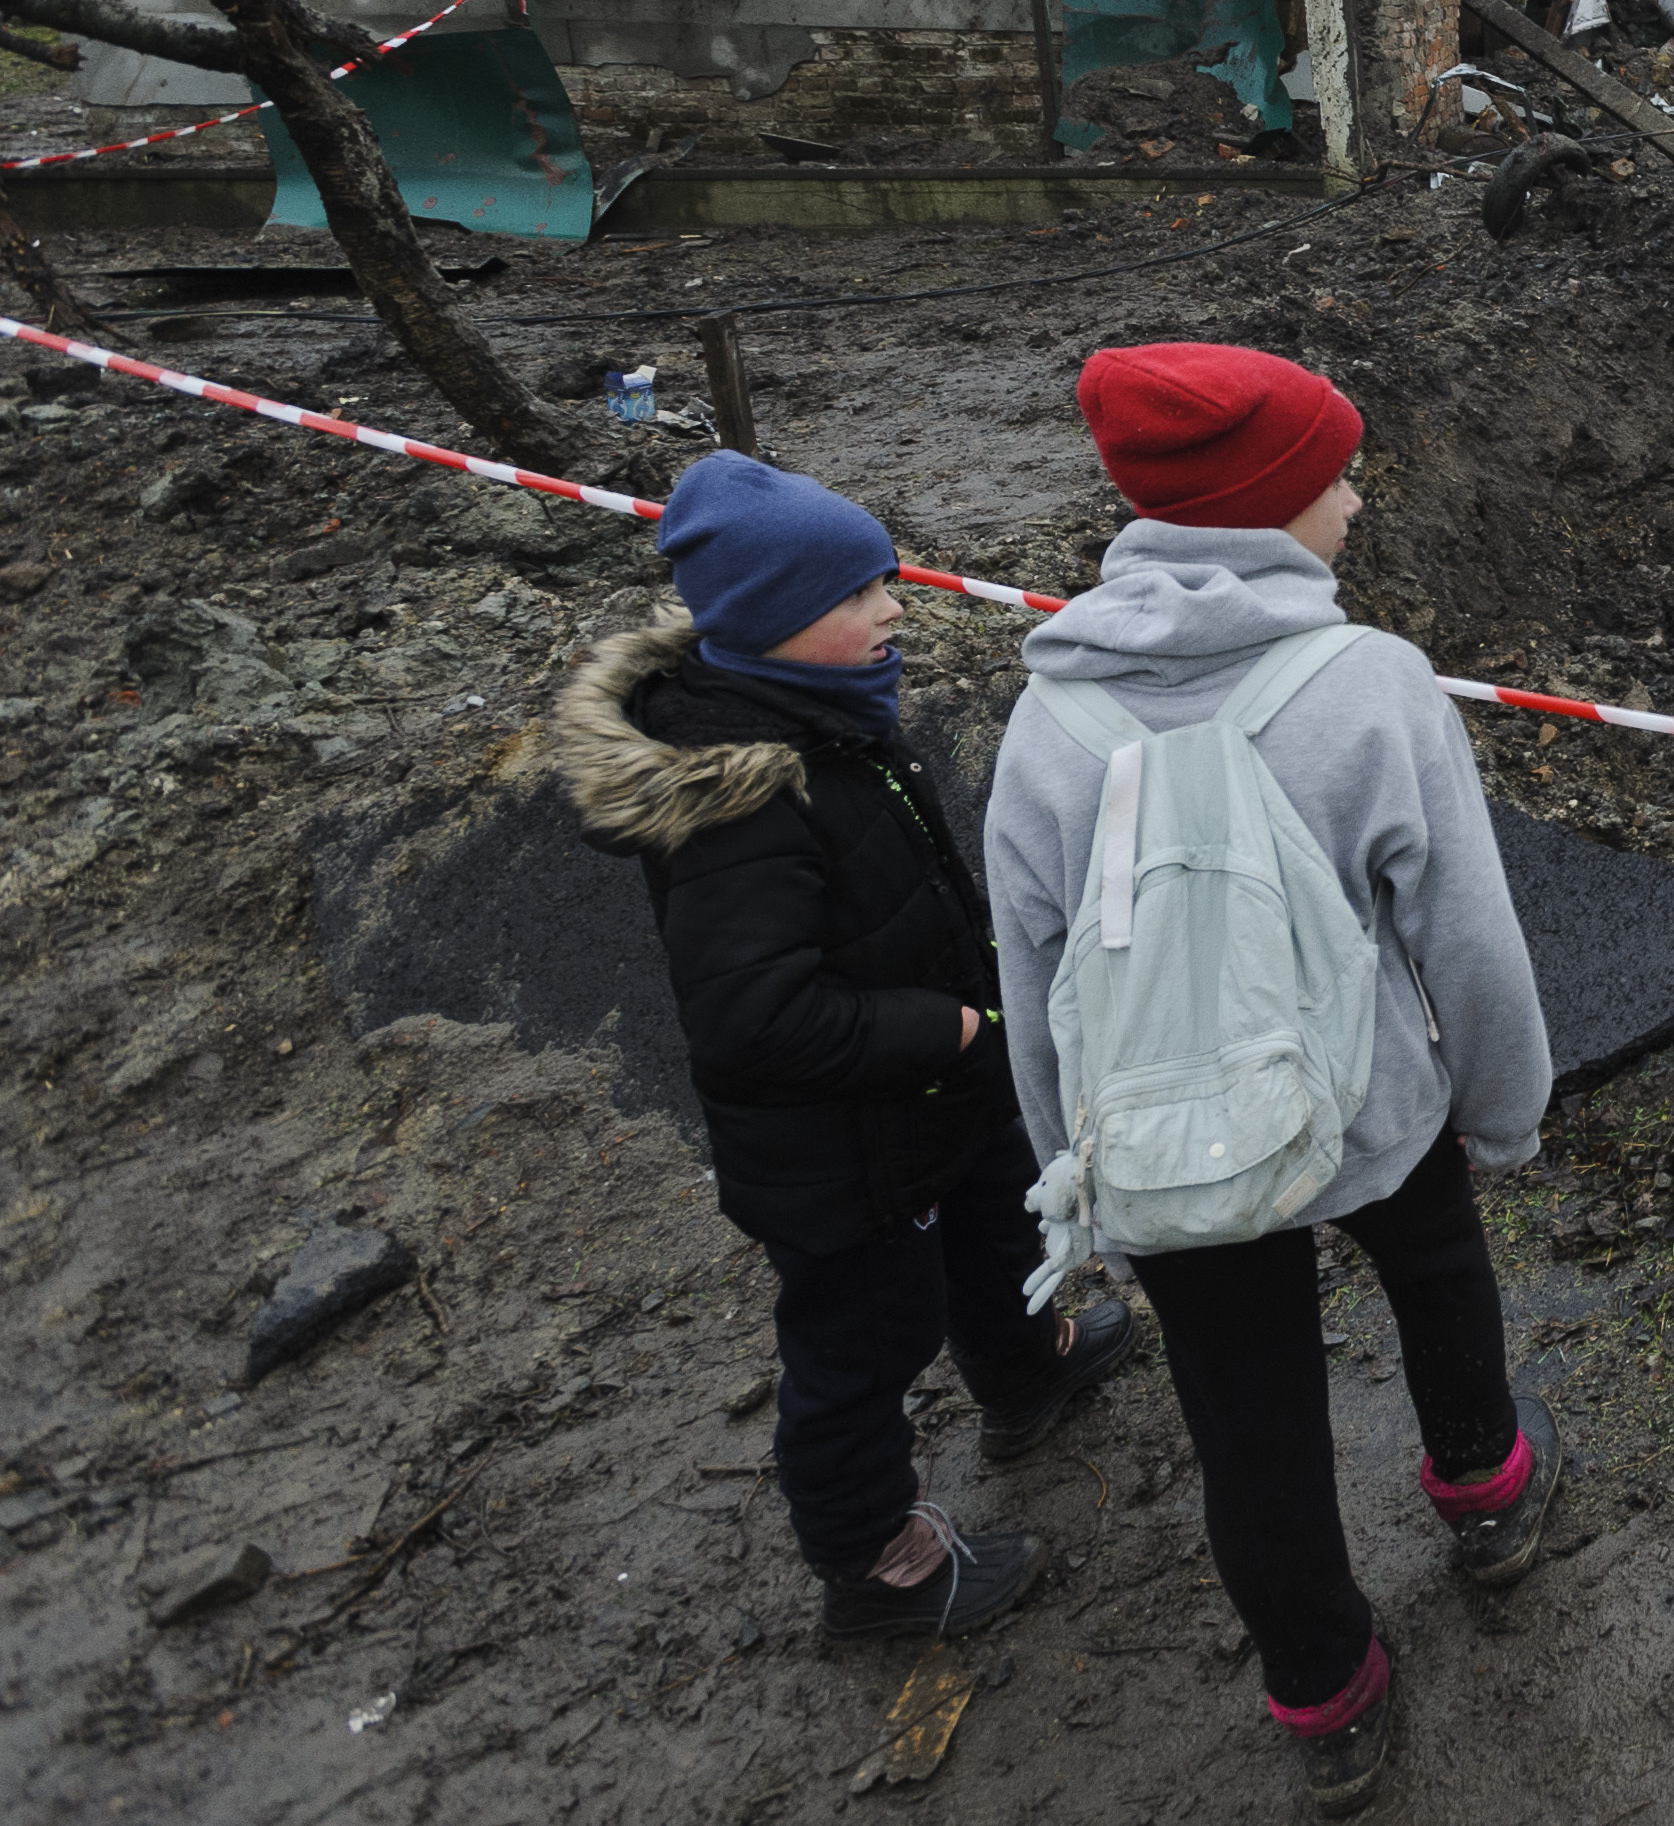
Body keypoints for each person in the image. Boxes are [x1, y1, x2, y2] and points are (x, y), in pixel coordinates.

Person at [982, 343, 1557, 1816]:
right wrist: (1503, 1108)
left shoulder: (1049, 715)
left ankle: (1322, 1690)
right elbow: (1469, 938)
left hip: (1175, 1159)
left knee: (1246, 1420)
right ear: (1264, 506)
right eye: (1333, 475)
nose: (1358, 501)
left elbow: (1035, 984)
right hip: (1369, 1110)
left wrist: (1079, 1187)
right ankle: (1486, 1494)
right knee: (1437, 1282)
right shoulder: (1369, 687)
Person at [549, 450, 1135, 1641]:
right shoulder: (739, 801)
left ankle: (1024, 1373)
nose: (893, 609)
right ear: (771, 625)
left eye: (883, 582)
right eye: (857, 595)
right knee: (860, 1347)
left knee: (995, 1223)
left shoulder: (829, 717)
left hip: (931, 1098)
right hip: (843, 1153)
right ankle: (873, 1561)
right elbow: (751, 1021)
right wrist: (953, 1024)